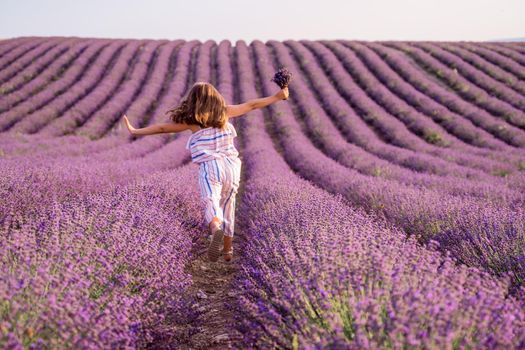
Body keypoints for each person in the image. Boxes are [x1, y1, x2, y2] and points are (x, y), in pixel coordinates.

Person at [122, 81, 289, 262]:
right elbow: (252, 105)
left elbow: (162, 128)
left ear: (193, 100)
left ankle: (215, 229)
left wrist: (136, 131)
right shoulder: (224, 112)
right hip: (232, 166)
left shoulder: (193, 121)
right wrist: (277, 97)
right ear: (215, 97)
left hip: (211, 166)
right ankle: (227, 251)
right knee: (228, 205)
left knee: (211, 200)